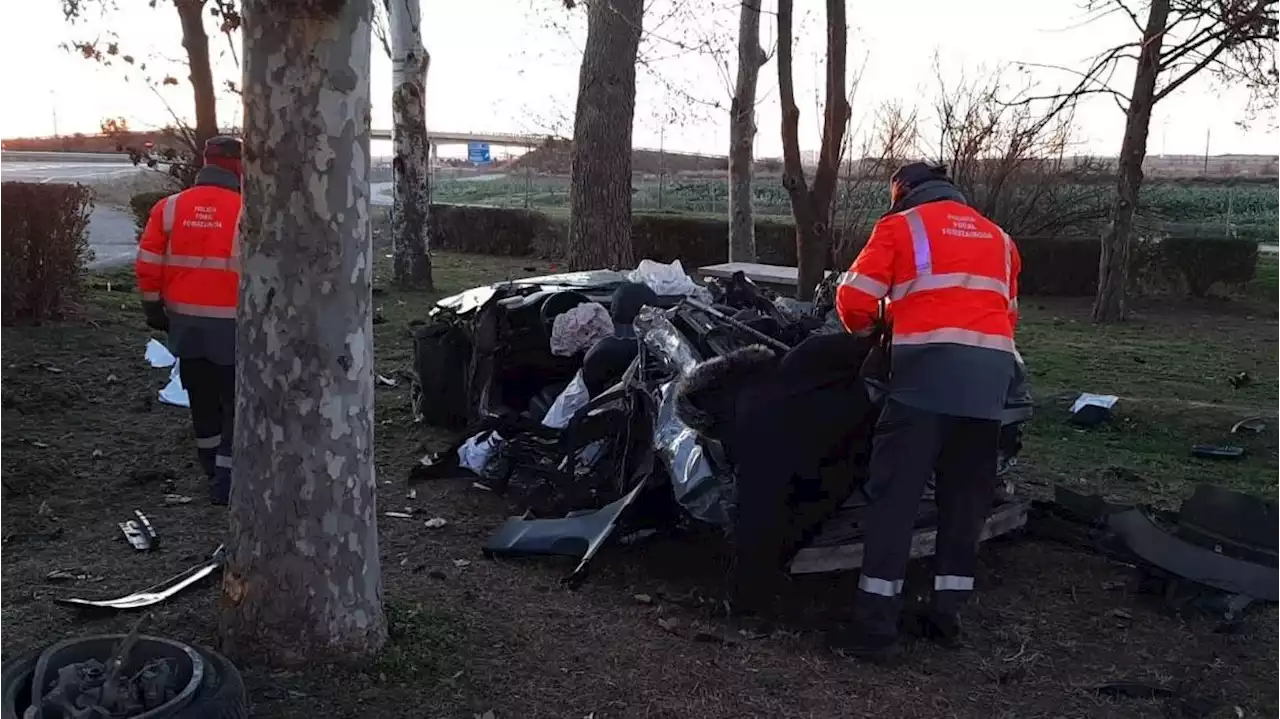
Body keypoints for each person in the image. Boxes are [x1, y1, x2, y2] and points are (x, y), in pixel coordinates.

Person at [830, 162, 1022, 660]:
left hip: (923, 382)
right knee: (964, 502)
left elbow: (854, 299)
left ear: (904, 191)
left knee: (895, 499)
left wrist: (874, 329)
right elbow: (1006, 314)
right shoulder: (1000, 239)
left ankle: (875, 628)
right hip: (989, 384)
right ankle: (945, 615)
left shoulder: (900, 226)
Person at [135, 136, 243, 505]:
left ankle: (210, 465)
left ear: (204, 161)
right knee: (234, 401)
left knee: (200, 396)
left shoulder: (169, 208)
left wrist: (153, 308)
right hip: (231, 324)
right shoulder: (248, 210)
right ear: (239, 166)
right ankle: (226, 481)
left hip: (183, 321)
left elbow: (148, 264)